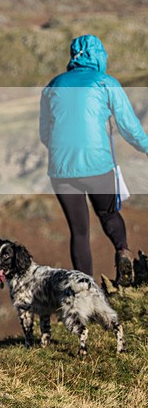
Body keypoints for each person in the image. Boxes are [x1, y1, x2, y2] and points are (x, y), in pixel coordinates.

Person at [40, 34, 148, 285]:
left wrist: (62, 153)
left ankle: (86, 290)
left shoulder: (53, 85)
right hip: (97, 165)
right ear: (99, 56)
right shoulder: (105, 82)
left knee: (79, 232)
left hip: (61, 170)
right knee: (109, 214)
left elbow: (45, 133)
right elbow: (129, 127)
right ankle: (122, 252)